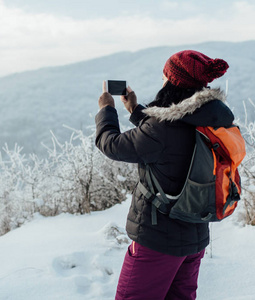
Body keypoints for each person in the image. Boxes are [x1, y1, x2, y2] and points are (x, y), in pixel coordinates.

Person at [95, 50, 232, 300]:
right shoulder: (211, 118)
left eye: (165, 76)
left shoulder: (162, 129)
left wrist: (107, 111)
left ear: (173, 82)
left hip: (158, 240)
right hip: (195, 236)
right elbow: (168, 140)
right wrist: (136, 110)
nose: (162, 80)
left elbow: (112, 145)